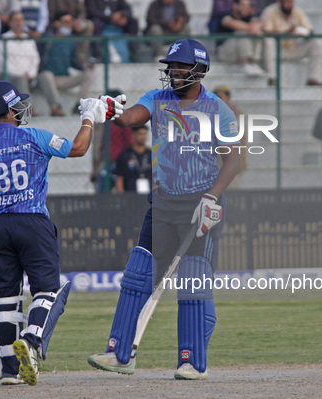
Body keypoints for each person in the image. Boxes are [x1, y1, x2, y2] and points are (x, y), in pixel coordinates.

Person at [87, 38, 241, 380]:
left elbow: (233, 161)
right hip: (164, 201)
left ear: (199, 70)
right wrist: (107, 111)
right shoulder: (157, 100)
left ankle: (191, 360)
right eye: (170, 66)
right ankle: (120, 353)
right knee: (139, 273)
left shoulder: (218, 109)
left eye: (181, 67)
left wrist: (212, 197)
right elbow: (129, 120)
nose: (173, 72)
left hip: (202, 202)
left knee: (192, 279)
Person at [0, 80, 116, 385]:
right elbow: (79, 148)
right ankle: (31, 342)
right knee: (50, 289)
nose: (22, 109)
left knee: (4, 297)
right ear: (10, 109)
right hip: (32, 220)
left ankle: (8, 370)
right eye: (18, 104)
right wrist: (89, 118)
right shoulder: (35, 136)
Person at [38, 11, 94, 117]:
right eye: (66, 22)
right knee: (46, 75)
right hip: (47, 77)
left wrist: (86, 67)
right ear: (57, 23)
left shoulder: (71, 40)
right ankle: (55, 108)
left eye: (70, 22)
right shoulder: (47, 38)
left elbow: (74, 61)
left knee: (88, 74)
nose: (69, 25)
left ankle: (79, 105)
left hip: (64, 77)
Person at [261, 0, 322, 86]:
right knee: (269, 41)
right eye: (286, 2)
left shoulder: (297, 12)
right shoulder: (270, 12)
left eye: (291, 2)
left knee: (315, 43)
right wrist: (286, 32)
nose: (288, 5)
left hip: (294, 48)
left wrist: (303, 32)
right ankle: (273, 78)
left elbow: (309, 29)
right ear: (280, 2)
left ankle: (313, 78)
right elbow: (266, 32)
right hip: (278, 50)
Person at [0, 11, 40, 106]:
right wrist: (22, 75)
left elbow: (35, 59)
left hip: (29, 76)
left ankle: (56, 107)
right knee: (20, 79)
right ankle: (29, 108)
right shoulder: (3, 39)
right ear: (10, 22)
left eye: (21, 20)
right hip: (10, 76)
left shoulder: (28, 39)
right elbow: (2, 63)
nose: (19, 23)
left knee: (45, 77)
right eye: (16, 20)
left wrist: (31, 74)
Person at [216, 0, 266, 76]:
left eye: (248, 6)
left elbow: (261, 24)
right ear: (235, 6)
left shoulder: (249, 17)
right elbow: (231, 23)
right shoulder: (226, 16)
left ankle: (253, 63)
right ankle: (245, 64)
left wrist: (256, 28)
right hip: (225, 54)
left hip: (238, 53)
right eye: (243, 5)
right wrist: (252, 28)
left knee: (256, 34)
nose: (246, 8)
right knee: (242, 32)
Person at [114, 125, 152, 193]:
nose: (143, 137)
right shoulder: (125, 155)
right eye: (140, 134)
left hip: (148, 195)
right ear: (133, 135)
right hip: (130, 194)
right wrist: (122, 196)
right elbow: (119, 177)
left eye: (145, 134)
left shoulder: (150, 154)